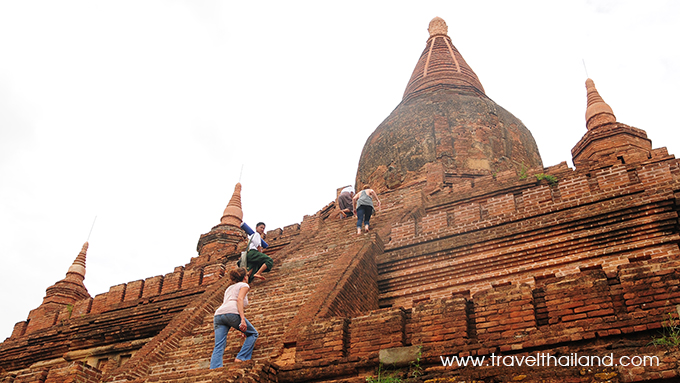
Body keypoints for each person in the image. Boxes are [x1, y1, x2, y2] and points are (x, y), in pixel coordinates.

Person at [209, 267, 258, 368]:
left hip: (218, 315)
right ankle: (241, 357)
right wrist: (243, 320)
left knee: (219, 344)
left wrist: (241, 327)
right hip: (232, 313)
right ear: (245, 277)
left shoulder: (229, 288)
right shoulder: (244, 285)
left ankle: (215, 367)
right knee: (253, 334)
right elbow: (239, 299)